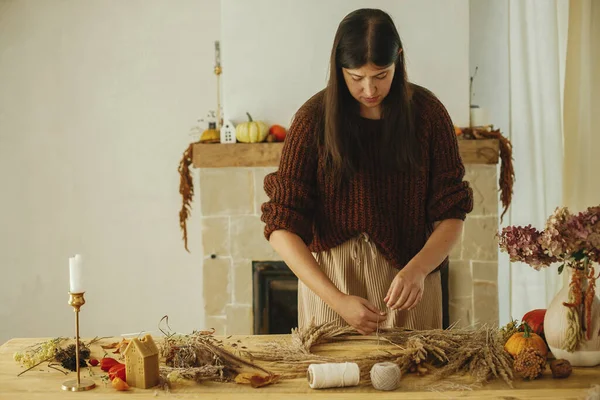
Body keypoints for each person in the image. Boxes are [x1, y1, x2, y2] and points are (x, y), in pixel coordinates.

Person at [260, 8, 473, 335]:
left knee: (417, 379)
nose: (370, 90)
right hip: (331, 286)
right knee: (333, 380)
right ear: (339, 68)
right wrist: (337, 300)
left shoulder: (429, 115)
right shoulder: (312, 119)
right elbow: (280, 226)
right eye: (357, 78)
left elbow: (452, 213)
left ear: (398, 60)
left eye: (382, 75)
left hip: (410, 283)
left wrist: (418, 269)